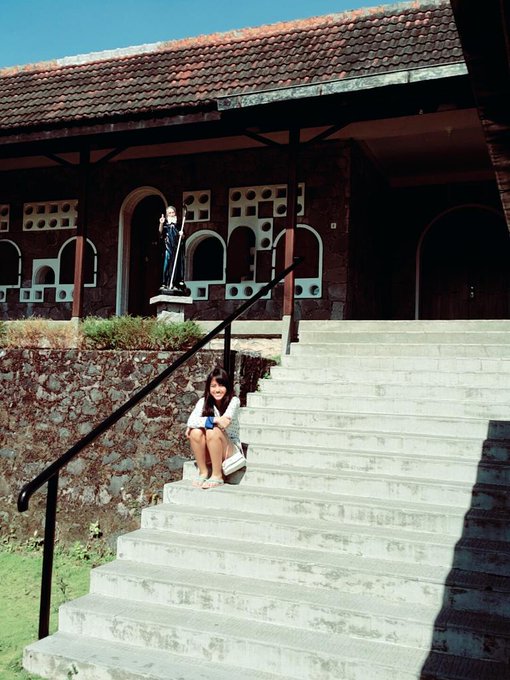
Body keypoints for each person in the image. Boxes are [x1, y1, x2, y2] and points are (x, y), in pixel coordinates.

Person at [186, 367, 241, 489]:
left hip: (229, 448)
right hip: (210, 447)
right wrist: (215, 420)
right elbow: (190, 422)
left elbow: (224, 423)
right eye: (213, 386)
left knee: (212, 431)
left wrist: (202, 423)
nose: (217, 390)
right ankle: (203, 472)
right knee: (195, 432)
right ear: (208, 388)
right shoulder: (203, 402)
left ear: (227, 387)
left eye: (221, 385)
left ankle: (217, 475)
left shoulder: (234, 401)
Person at [159, 205, 186, 292]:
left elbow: (184, 237)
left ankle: (175, 283)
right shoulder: (165, 226)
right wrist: (161, 223)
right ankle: (165, 283)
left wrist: (182, 235)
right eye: (169, 213)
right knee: (166, 264)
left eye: (172, 212)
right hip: (168, 247)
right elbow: (160, 233)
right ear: (167, 215)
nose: (171, 214)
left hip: (176, 248)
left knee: (177, 264)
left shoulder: (179, 225)